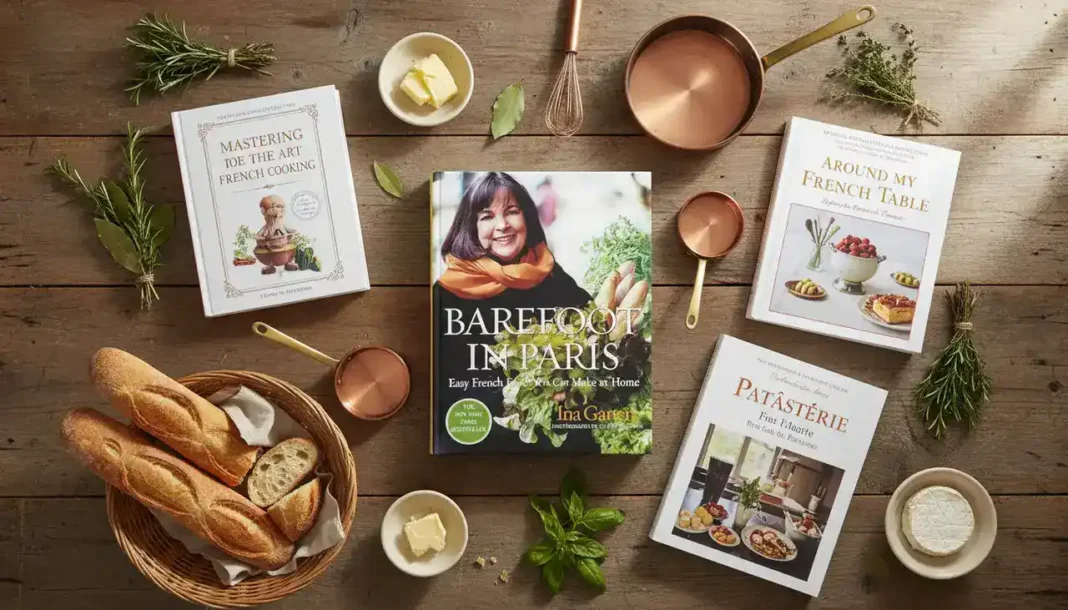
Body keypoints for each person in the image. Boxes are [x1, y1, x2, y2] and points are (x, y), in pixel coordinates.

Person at [434, 172, 593, 452]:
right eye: (487, 216)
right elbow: (446, 390)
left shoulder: (549, 273)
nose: (502, 225)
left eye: (511, 212)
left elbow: (592, 328)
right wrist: (533, 397)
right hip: (482, 442)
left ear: (527, 218)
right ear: (470, 227)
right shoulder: (448, 292)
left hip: (558, 439)